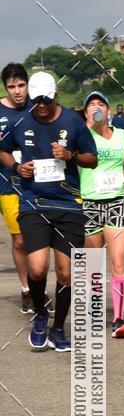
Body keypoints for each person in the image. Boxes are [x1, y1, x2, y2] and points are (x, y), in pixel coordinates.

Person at [0, 71, 97, 351]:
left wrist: (71, 156)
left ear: (56, 96)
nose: (40, 105)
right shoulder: (21, 121)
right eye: (35, 99)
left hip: (68, 205)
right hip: (34, 202)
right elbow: (3, 150)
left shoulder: (73, 121)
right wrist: (17, 167)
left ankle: (58, 329)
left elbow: (91, 159)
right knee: (38, 267)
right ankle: (41, 314)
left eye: (45, 99)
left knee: (66, 273)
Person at [79, 90, 124, 338]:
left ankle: (119, 319)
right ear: (85, 111)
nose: (97, 108)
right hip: (89, 204)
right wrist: (87, 126)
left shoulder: (120, 135)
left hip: (117, 203)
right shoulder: (81, 135)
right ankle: (94, 311)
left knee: (119, 262)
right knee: (92, 265)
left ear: (109, 111)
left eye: (101, 104)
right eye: (91, 105)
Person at [0, 63, 32, 311]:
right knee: (20, 240)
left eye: (21, 85)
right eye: (12, 86)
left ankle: (39, 284)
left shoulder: (37, 107)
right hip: (8, 185)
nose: (17, 91)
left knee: (39, 239)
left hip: (40, 186)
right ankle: (27, 290)